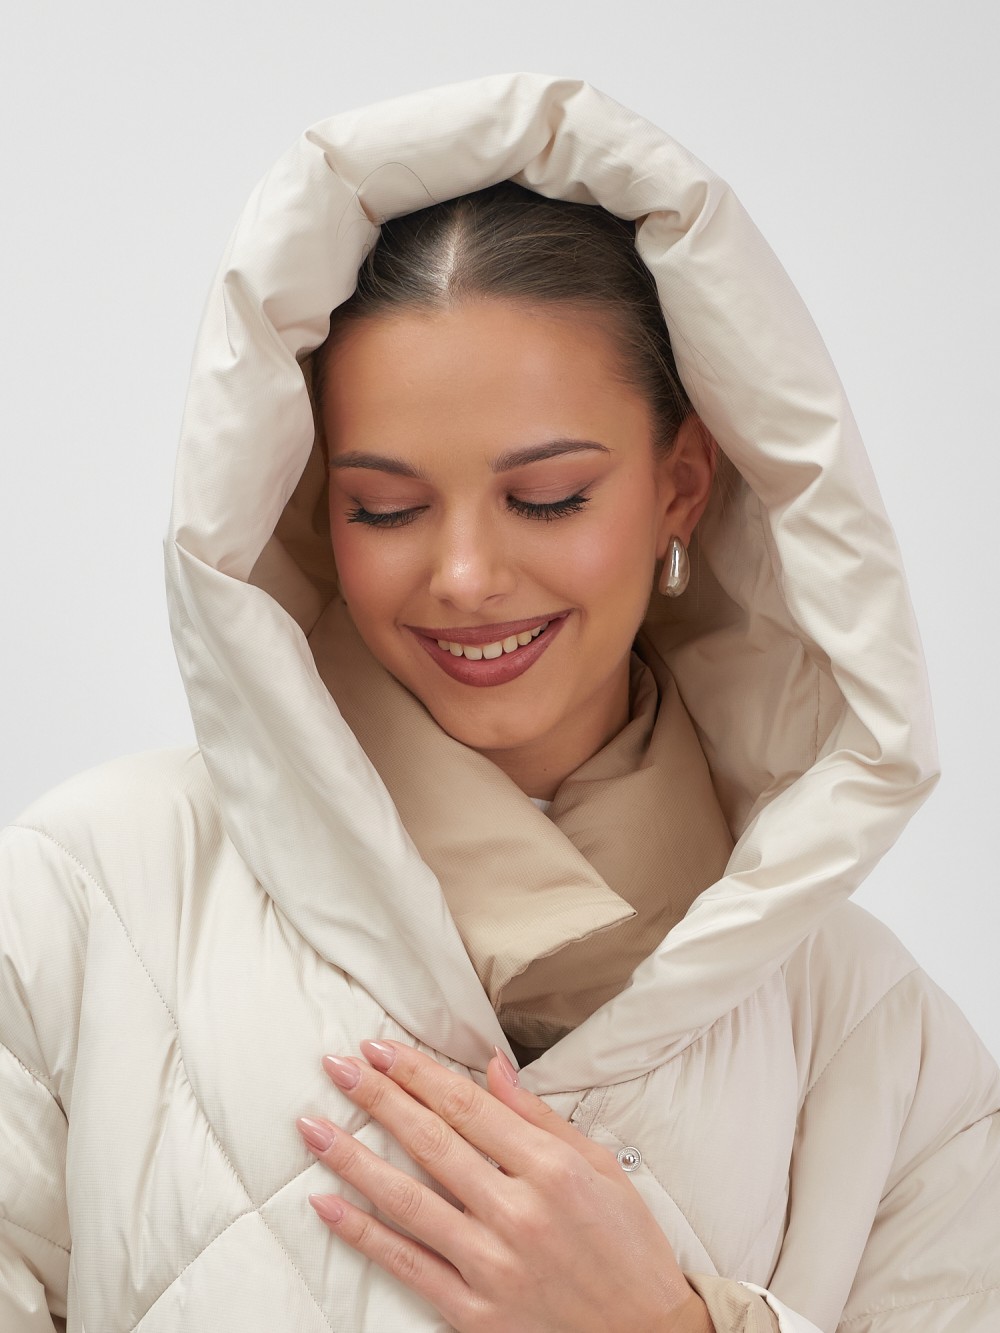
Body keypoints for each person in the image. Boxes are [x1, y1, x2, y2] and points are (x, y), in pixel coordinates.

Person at [1, 72, 997, 1333]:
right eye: (385, 508)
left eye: (547, 497)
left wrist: (670, 1327)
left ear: (681, 486)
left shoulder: (878, 1042)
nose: (465, 576)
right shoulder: (82, 900)